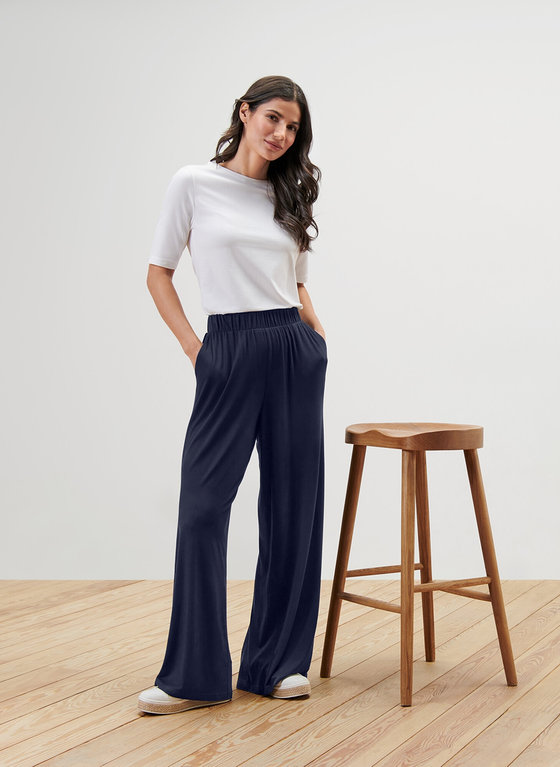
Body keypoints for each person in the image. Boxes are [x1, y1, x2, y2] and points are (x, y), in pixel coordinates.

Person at [137, 75, 328, 715]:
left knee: (291, 506)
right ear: (244, 114)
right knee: (202, 508)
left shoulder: (289, 193)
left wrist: (317, 343)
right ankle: (193, 675)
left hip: (290, 348)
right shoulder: (194, 183)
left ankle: (276, 663)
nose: (280, 134)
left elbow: (297, 284)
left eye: (292, 128)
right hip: (227, 347)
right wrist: (197, 349)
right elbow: (158, 273)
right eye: (272, 119)